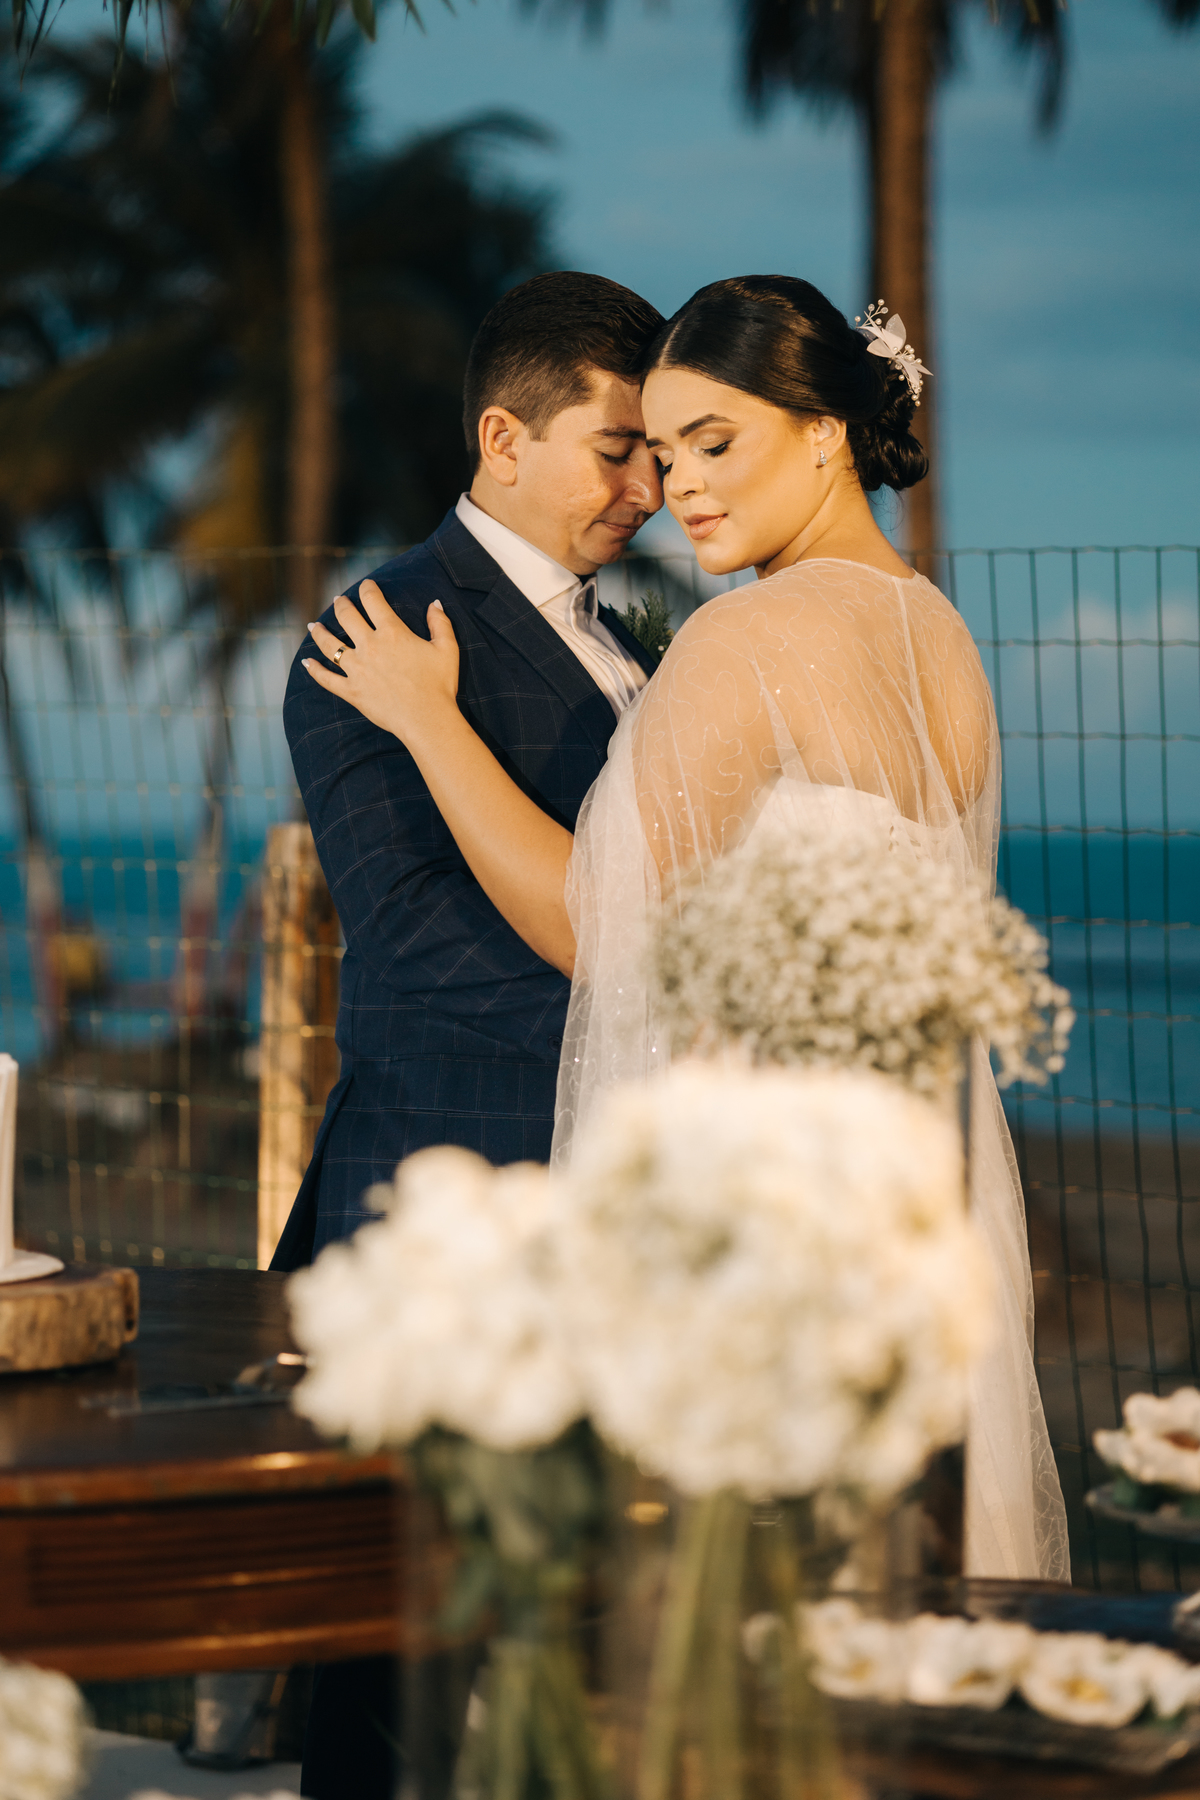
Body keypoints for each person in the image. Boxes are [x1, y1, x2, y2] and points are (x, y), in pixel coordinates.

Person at [303, 275, 1070, 1588]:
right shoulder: (938, 636)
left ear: (825, 433)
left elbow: (601, 928)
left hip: (764, 1208)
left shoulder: (747, 640)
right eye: (658, 451)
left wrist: (432, 721)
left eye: (714, 445)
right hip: (913, 1185)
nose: (677, 489)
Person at [275, 268, 665, 1800]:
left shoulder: (628, 631)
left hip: (602, 1197)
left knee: (571, 1659)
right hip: (452, 1177)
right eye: (616, 451)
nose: (648, 487)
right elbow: (418, 944)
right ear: (504, 437)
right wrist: (665, 1029)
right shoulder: (380, 626)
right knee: (396, 1664)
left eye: (659, 456)